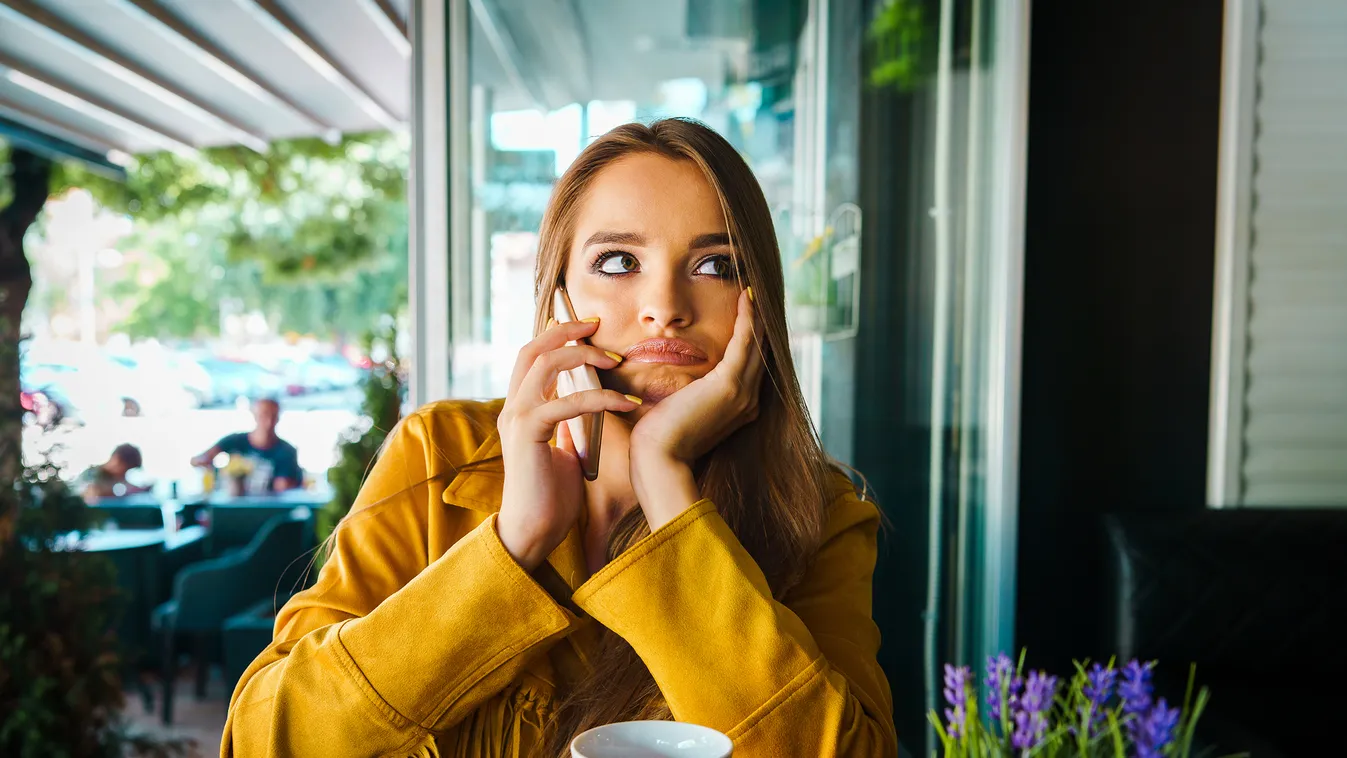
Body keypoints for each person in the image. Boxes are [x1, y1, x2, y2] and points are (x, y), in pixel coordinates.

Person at [223, 120, 897, 757]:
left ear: (757, 302)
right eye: (616, 260)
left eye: (715, 265)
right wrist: (512, 545)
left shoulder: (819, 511)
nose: (664, 304)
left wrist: (666, 483)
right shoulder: (440, 450)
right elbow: (265, 738)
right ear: (559, 298)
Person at [190, 397, 302, 493]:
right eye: (264, 415)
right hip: (227, 505)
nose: (268, 422)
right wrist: (207, 464)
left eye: (273, 416)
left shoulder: (286, 451)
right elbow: (199, 460)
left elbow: (283, 487)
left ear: (278, 418)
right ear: (254, 415)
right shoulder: (234, 441)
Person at [80, 443, 149, 503]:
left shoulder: (116, 478)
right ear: (117, 460)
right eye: (125, 469)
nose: (124, 473)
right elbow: (90, 496)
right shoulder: (92, 473)